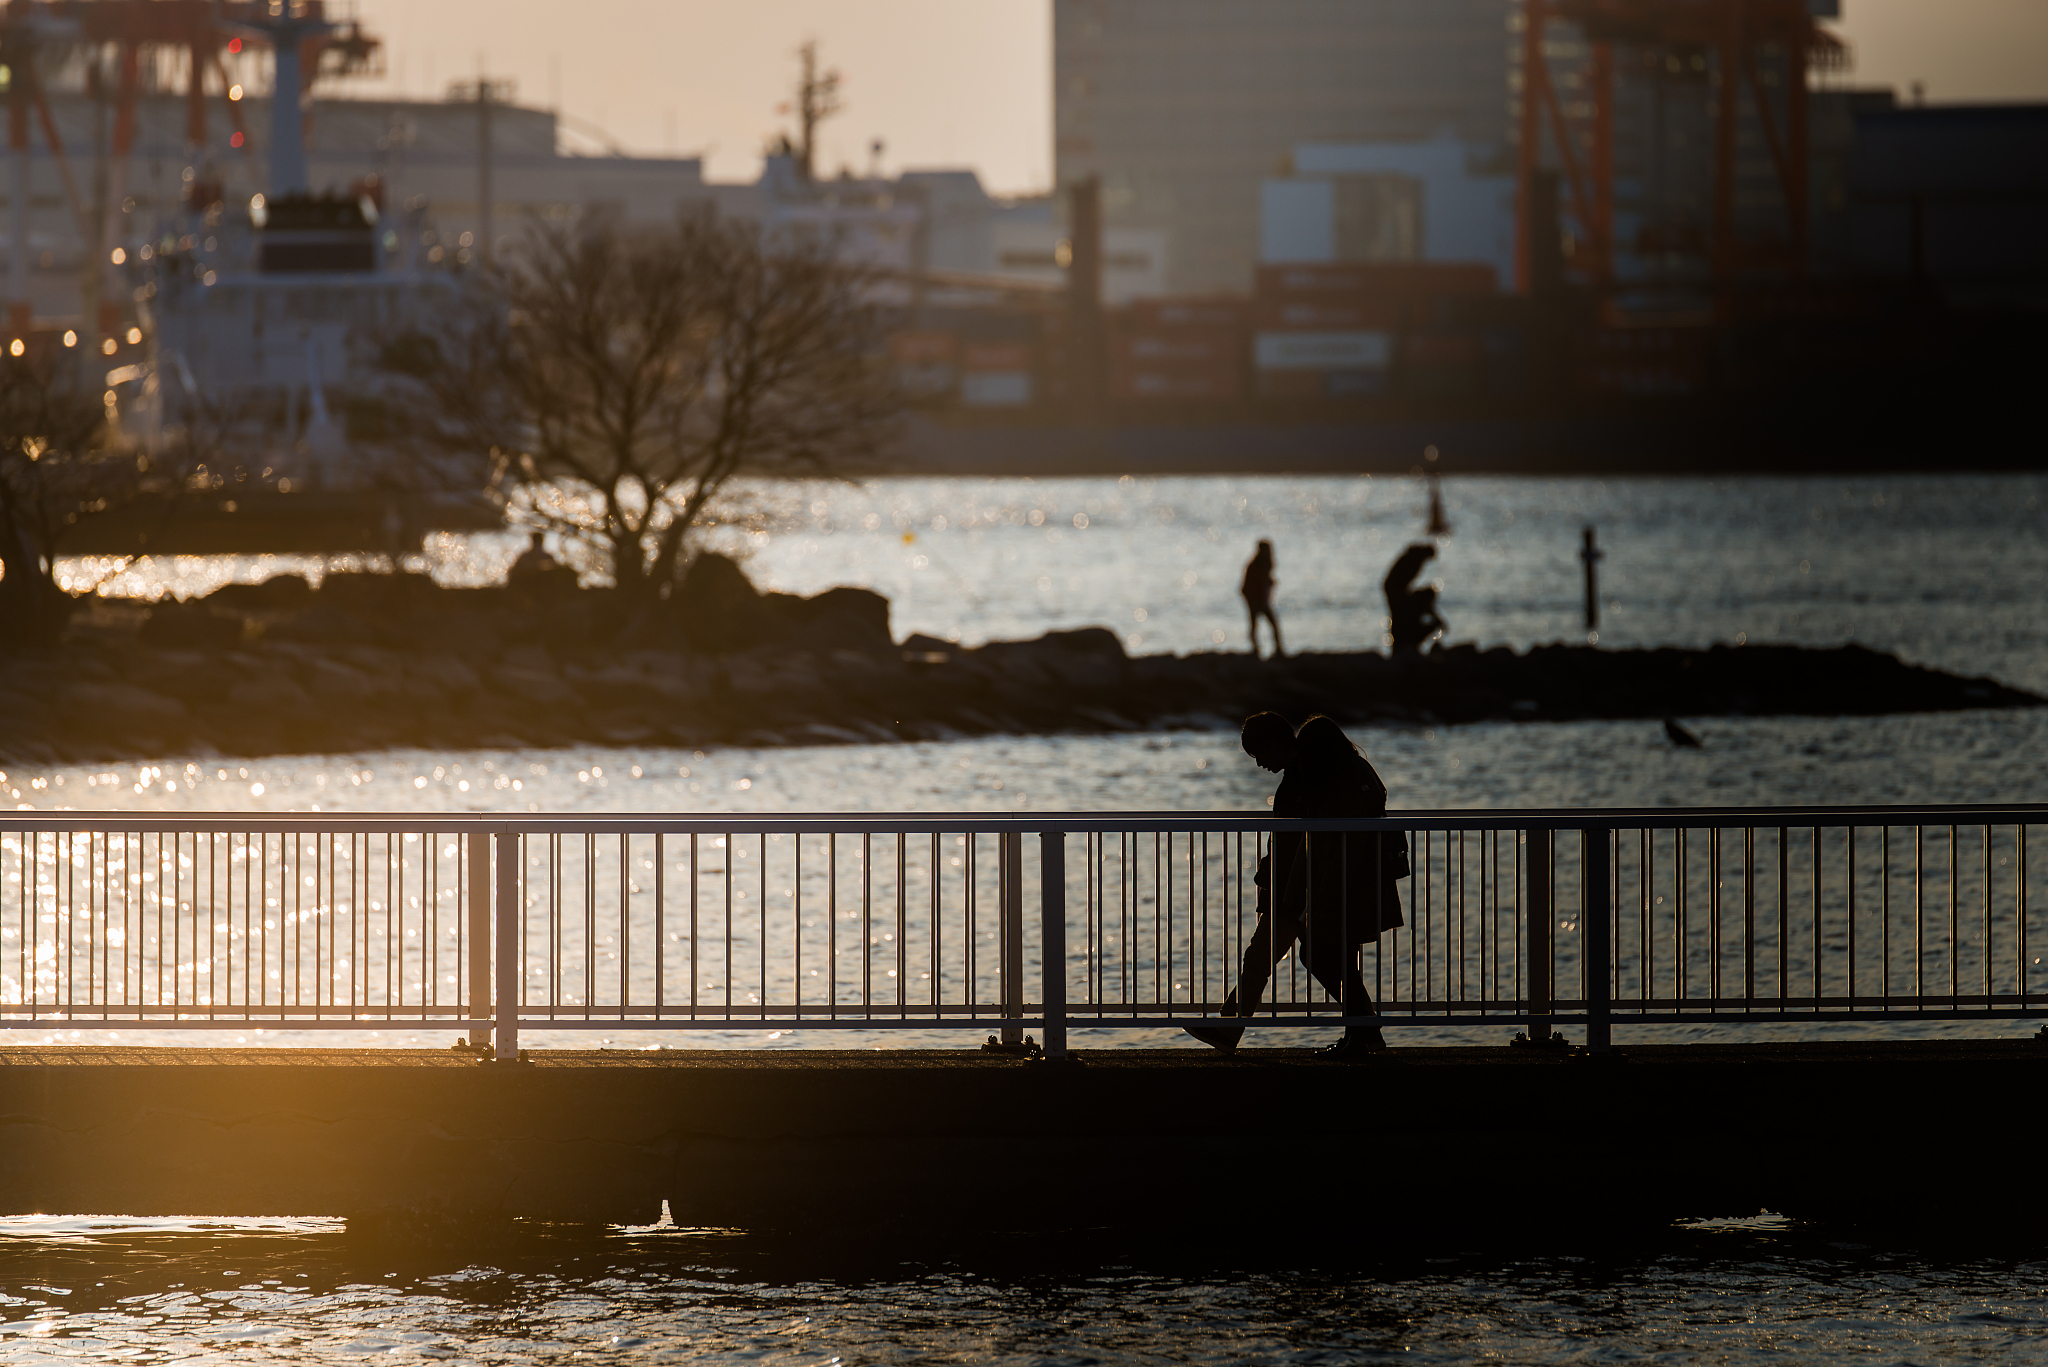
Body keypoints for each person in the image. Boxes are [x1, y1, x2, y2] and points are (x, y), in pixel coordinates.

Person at [1187, 712, 1406, 1055]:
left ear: (1276, 744)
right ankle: (1364, 1036)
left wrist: (1284, 891)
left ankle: (1365, 1034)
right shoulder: (1325, 773)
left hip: (1301, 890)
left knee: (1292, 958)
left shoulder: (1306, 779)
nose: (1259, 763)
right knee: (1325, 962)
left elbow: (1297, 845)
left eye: (1259, 753)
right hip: (1311, 887)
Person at [1384, 542, 1446, 654]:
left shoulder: (1414, 557)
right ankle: (1398, 649)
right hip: (1394, 589)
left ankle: (1398, 648)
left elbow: (1405, 581)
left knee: (1399, 617)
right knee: (1398, 617)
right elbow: (1402, 579)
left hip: (1396, 589)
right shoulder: (1415, 560)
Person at [1240, 540, 1284, 659]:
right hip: (1255, 599)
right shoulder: (1255, 565)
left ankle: (1276, 649)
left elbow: (1265, 580)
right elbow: (1247, 586)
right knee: (1257, 625)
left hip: (1261, 599)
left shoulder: (1266, 563)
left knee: (1266, 624)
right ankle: (1256, 650)